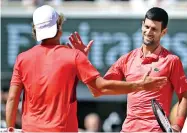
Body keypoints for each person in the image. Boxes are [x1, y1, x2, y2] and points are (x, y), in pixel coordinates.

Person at [5, 5, 168, 132]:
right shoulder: (73, 56)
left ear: (35, 30)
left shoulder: (22, 58)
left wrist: (10, 128)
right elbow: (100, 88)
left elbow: (12, 99)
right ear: (59, 28)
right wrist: (140, 85)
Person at [68, 7, 187, 132]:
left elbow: (184, 97)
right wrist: (83, 62)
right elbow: (98, 90)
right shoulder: (126, 60)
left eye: (154, 29)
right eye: (146, 27)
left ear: (163, 32)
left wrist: (177, 126)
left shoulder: (171, 61)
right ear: (142, 25)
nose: (148, 32)